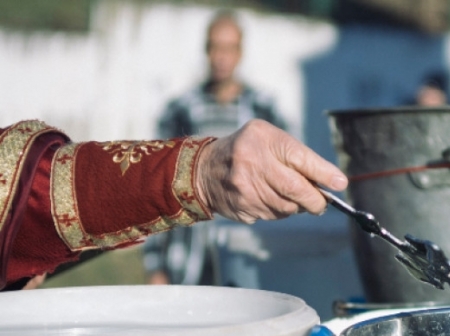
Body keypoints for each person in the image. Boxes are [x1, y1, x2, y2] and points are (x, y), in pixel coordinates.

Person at [0, 118, 347, 292]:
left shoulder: (262, 103)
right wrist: (202, 173)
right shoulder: (183, 106)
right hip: (183, 256)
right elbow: (25, 189)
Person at [144, 11, 285, 286]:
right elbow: (153, 186)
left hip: (245, 255)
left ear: (240, 52)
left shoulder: (264, 111)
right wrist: (155, 265)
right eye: (215, 47)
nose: (222, 57)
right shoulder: (180, 111)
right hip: (185, 259)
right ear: (206, 51)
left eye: (229, 48)